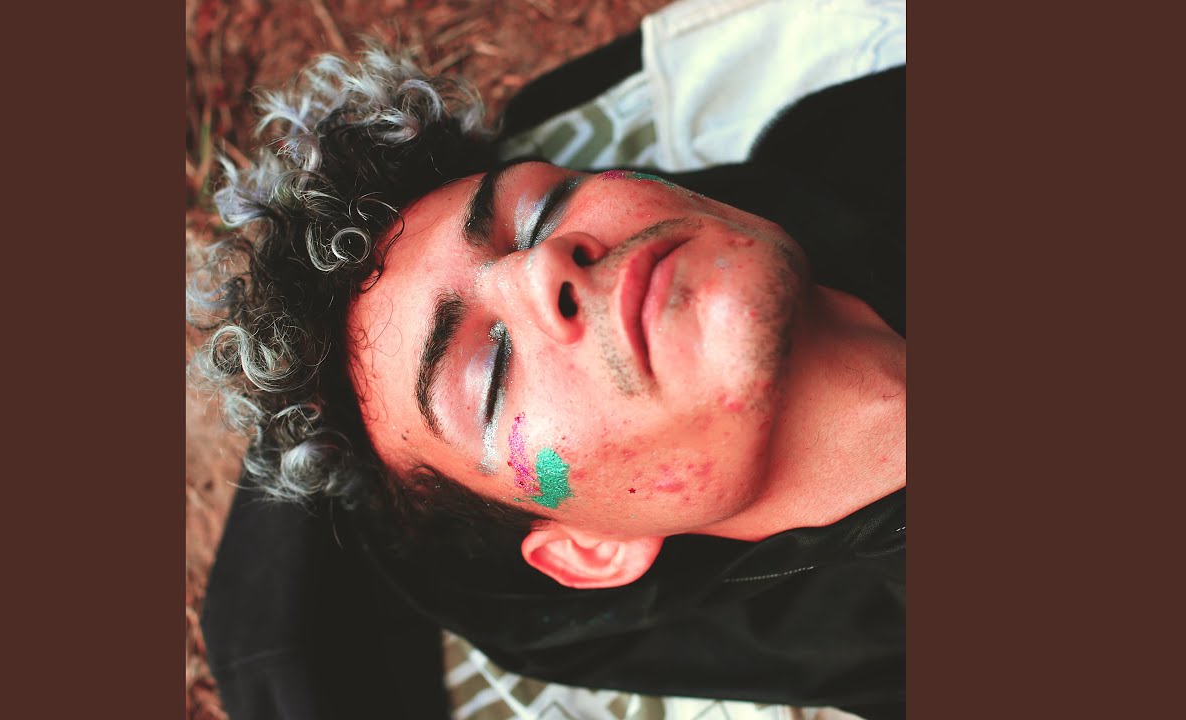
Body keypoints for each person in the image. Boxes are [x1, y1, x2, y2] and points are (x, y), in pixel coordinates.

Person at [190, 2, 905, 718]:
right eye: (491, 373)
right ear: (592, 550)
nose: (541, 270)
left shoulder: (861, 127)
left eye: (539, 216)